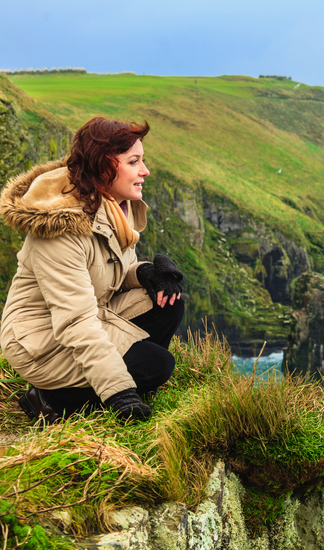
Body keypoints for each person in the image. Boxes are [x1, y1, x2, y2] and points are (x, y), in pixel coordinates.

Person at [0, 117, 185, 423]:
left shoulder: (111, 206)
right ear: (105, 167)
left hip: (93, 312)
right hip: (43, 340)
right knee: (157, 365)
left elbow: (112, 272)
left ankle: (129, 382)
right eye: (134, 161)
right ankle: (49, 398)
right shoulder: (61, 229)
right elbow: (75, 321)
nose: (145, 171)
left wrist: (147, 273)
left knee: (168, 301)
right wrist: (119, 392)